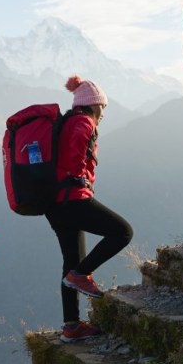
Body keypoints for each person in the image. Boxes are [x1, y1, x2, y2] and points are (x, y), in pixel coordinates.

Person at [46, 76, 134, 343]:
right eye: (102, 107)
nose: (103, 113)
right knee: (122, 232)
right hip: (72, 198)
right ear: (93, 105)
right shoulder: (83, 123)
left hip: (54, 203)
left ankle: (71, 326)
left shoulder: (68, 121)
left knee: (70, 261)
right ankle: (82, 275)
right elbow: (74, 158)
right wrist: (78, 177)